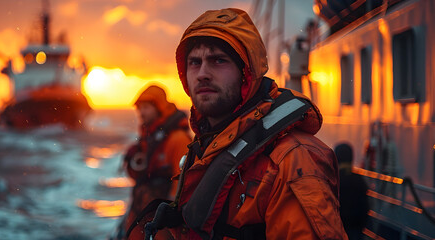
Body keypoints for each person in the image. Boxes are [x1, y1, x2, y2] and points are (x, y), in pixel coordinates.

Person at [128, 8, 347, 239]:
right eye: (194, 62)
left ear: (247, 73)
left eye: (218, 60)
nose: (202, 73)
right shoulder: (206, 146)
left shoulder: (293, 160)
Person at [113, 85, 191, 239]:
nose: (141, 112)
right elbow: (139, 176)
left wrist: (168, 220)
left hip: (160, 222)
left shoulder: (178, 139)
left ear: (159, 107)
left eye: (146, 107)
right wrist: (131, 160)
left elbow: (182, 187)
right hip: (140, 214)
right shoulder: (148, 138)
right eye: (140, 108)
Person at [335, 143, 370, 240]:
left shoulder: (334, 180)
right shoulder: (358, 179)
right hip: (355, 228)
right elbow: (365, 206)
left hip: (338, 228)